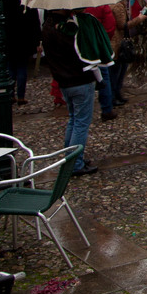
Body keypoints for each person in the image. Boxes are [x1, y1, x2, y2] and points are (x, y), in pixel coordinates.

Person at [41, 9, 100, 175]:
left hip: (64, 80)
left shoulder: (48, 26)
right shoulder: (66, 28)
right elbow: (81, 50)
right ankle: (75, 163)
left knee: (74, 120)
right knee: (80, 122)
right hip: (78, 78)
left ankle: (71, 157)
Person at [2, 0, 41, 107]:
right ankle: (20, 95)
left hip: (9, 40)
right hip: (24, 41)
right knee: (21, 67)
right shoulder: (27, 4)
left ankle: (10, 93)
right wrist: (37, 41)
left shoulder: (5, 3)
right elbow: (35, 24)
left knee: (11, 68)